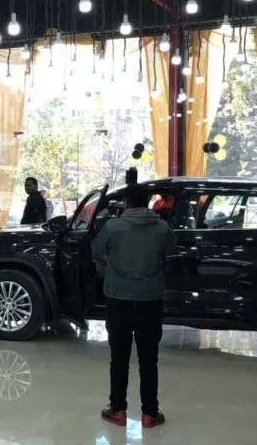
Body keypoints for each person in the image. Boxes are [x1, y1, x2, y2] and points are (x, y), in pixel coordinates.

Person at [91, 182, 175, 429]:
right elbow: (172, 250)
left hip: (118, 301)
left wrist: (111, 259)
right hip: (150, 301)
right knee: (149, 359)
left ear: (126, 202)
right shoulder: (161, 227)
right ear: (148, 203)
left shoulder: (113, 226)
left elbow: (95, 251)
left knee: (119, 358)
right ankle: (150, 413)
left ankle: (117, 410)